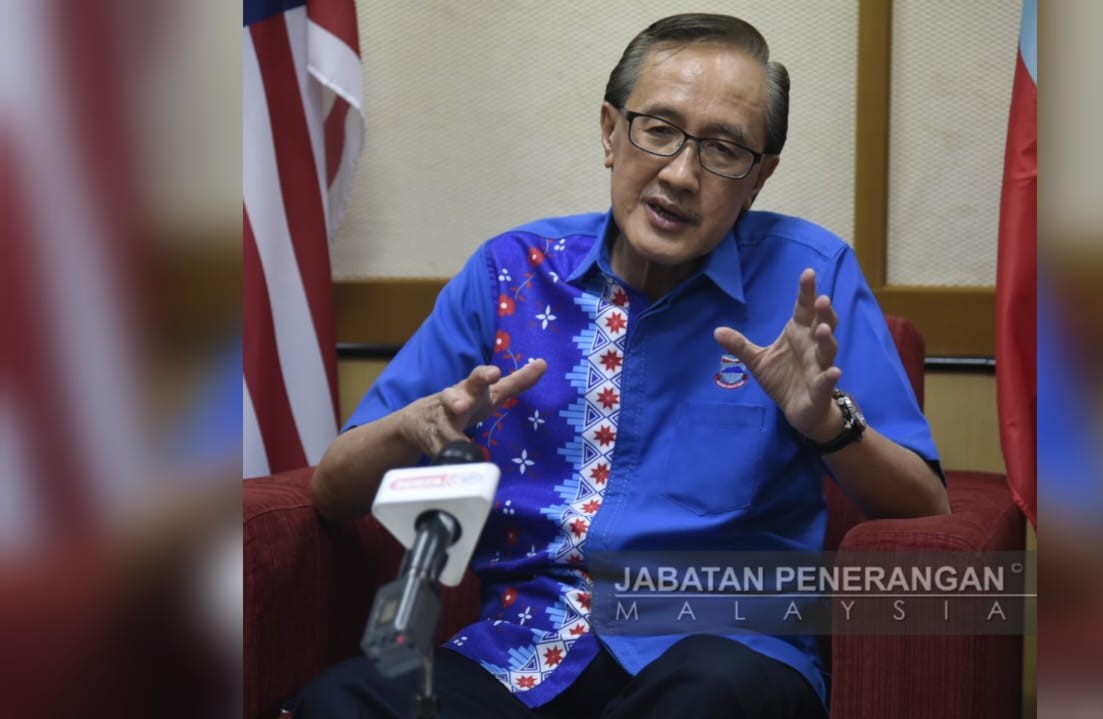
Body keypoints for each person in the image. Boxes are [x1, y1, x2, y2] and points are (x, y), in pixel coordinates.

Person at [295, 13, 949, 719]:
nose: (680, 174)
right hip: (524, 651)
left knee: (708, 696)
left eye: (724, 149)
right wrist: (415, 426)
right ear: (611, 132)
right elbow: (333, 490)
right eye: (658, 130)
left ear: (759, 177)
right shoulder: (511, 275)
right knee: (343, 701)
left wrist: (828, 427)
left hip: (724, 651)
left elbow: (926, 506)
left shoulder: (809, 281)